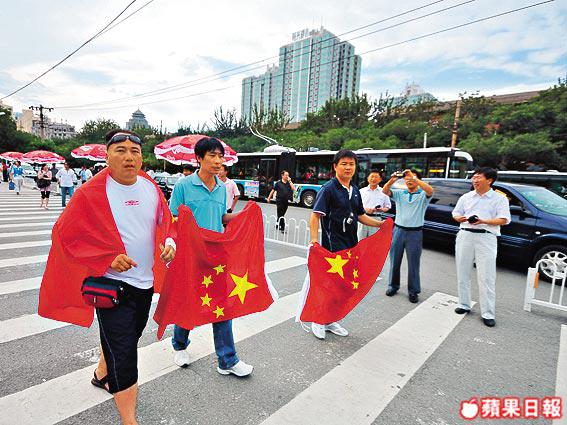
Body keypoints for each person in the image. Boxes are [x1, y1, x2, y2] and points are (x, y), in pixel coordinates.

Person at [39, 129, 176, 424]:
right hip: (111, 286)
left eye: (134, 151)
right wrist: (105, 258)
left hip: (144, 284)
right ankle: (129, 419)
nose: (129, 157)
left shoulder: (150, 187)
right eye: (120, 150)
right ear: (107, 156)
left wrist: (170, 243)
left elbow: (166, 222)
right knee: (125, 354)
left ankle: (101, 373)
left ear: (141, 158)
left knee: (128, 338)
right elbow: (65, 234)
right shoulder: (90, 192)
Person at [168, 136, 253, 376]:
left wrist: (245, 215)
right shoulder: (184, 186)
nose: (218, 161)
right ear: (199, 158)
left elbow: (221, 217)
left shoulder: (222, 188)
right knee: (188, 302)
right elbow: (173, 219)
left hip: (216, 255)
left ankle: (227, 360)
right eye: (212, 156)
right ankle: (180, 345)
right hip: (190, 255)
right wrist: (173, 242)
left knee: (222, 305)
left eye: (220, 156)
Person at [309, 150, 384, 339]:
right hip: (332, 249)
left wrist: (380, 225)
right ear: (335, 166)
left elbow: (360, 216)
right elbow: (315, 216)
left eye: (351, 164)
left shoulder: (355, 190)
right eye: (344, 163)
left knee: (342, 288)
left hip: (350, 248)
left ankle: (330, 319)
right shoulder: (328, 189)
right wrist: (314, 241)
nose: (348, 167)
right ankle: (318, 320)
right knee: (328, 286)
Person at [452, 167, 511, 327]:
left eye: (479, 177)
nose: (475, 180)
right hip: (465, 234)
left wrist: (483, 221)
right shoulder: (466, 197)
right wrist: (459, 218)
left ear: (489, 180)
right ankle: (464, 304)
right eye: (474, 177)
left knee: (486, 276)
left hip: (486, 237)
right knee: (462, 272)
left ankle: (488, 313)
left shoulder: (499, 199)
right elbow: (455, 213)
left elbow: (504, 219)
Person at [382, 169, 434, 304]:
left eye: (412, 178)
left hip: (415, 233)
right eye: (407, 178)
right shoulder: (400, 193)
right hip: (398, 231)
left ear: (418, 180)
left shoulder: (423, 195)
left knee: (413, 263)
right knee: (394, 260)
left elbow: (430, 191)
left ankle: (413, 290)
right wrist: (392, 180)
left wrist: (414, 177)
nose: (409, 180)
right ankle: (393, 286)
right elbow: (385, 191)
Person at [358, 170, 391, 240]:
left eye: (376, 177)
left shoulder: (384, 192)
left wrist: (382, 209)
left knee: (374, 241)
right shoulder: (361, 191)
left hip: (377, 219)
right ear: (368, 178)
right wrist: (365, 209)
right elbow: (356, 206)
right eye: (372, 177)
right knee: (360, 241)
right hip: (363, 218)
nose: (373, 179)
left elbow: (388, 207)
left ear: (380, 179)